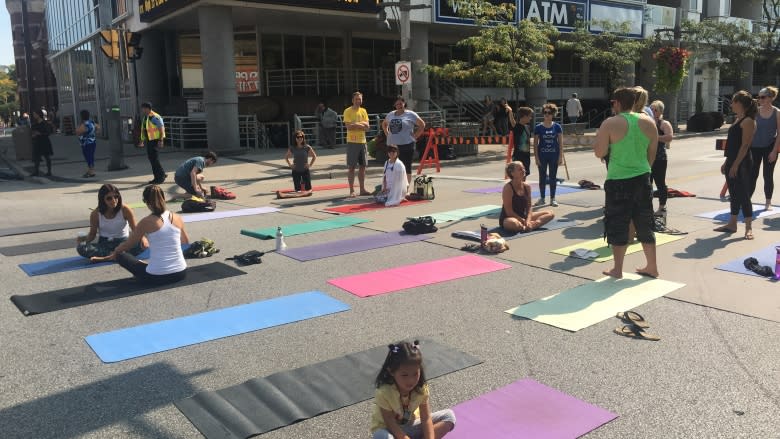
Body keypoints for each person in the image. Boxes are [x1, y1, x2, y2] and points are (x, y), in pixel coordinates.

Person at [594, 87, 659, 279]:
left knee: (618, 223)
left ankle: (618, 269)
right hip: (642, 177)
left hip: (618, 180)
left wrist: (599, 143)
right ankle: (652, 266)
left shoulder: (610, 123)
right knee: (645, 222)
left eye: (613, 102)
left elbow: (600, 152)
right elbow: (651, 156)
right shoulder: (649, 122)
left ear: (618, 103)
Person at [93, 185, 189, 284]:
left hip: (157, 276)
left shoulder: (146, 222)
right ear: (164, 198)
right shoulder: (178, 218)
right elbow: (185, 242)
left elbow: (126, 246)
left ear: (146, 202)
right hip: (181, 272)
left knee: (120, 255)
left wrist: (114, 253)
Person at [371, 340, 456, 439]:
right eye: (404, 375)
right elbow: (390, 421)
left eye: (415, 373)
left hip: (410, 425)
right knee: (380, 436)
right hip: (389, 430)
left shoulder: (421, 388)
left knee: (449, 416)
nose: (411, 380)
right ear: (391, 371)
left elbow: (426, 418)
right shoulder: (384, 392)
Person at [714, 90, 757, 240]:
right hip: (733, 160)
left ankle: (749, 227)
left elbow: (745, 146)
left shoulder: (748, 121)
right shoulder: (737, 120)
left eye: (733, 101)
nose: (731, 104)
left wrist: (736, 165)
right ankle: (732, 224)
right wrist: (727, 162)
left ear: (740, 104)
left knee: (743, 194)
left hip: (743, 162)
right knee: (733, 194)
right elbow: (732, 145)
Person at [77, 184, 147, 258]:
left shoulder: (125, 210)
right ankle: (116, 255)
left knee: (141, 244)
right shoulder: (95, 214)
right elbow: (92, 234)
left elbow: (135, 229)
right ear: (102, 199)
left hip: (123, 243)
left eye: (116, 197)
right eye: (109, 198)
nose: (113, 200)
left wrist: (143, 238)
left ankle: (110, 256)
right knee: (81, 248)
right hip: (104, 244)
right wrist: (83, 242)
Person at [382, 96, 425, 185]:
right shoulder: (390, 114)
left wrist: (415, 136)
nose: (399, 105)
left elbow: (422, 125)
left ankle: (406, 188)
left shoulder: (411, 114)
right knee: (392, 167)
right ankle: (393, 187)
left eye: (401, 103)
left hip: (407, 144)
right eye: (397, 104)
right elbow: (384, 124)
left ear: (404, 104)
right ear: (394, 105)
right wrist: (387, 134)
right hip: (392, 146)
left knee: (406, 167)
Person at [500, 161, 554, 232]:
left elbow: (529, 206)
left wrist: (528, 220)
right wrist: (522, 220)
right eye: (520, 169)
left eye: (523, 168)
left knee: (550, 213)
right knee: (513, 224)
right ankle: (524, 226)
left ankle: (532, 225)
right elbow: (509, 212)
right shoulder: (508, 188)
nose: (523, 171)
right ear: (512, 173)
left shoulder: (527, 187)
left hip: (524, 216)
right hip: (510, 218)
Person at [751, 86, 780, 210]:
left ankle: (768, 203)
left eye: (762, 97)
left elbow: (779, 133)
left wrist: (774, 151)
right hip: (754, 147)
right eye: (759, 97)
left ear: (770, 98)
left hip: (769, 147)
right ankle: (747, 200)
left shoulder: (777, 113)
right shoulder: (755, 111)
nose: (760, 99)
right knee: (752, 175)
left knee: (767, 175)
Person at [533, 103, 564, 207]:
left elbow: (560, 143)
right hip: (542, 156)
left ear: (553, 114)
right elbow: (535, 144)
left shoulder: (557, 127)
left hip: (554, 155)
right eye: (545, 112)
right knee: (542, 177)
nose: (547, 114)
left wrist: (560, 157)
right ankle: (542, 198)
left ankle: (553, 198)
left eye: (549, 113)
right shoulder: (538, 127)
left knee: (552, 177)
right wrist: (536, 158)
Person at [343, 91, 371, 197]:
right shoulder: (348, 111)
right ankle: (351, 190)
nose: (358, 101)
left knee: (363, 166)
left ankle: (362, 189)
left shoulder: (363, 111)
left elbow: (367, 127)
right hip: (352, 142)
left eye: (360, 99)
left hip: (363, 142)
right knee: (351, 167)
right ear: (352, 100)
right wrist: (361, 124)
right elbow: (349, 126)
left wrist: (356, 124)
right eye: (356, 99)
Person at [649, 100, 673, 215]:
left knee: (660, 183)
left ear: (660, 111)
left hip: (659, 158)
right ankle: (646, 208)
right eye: (651, 109)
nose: (652, 111)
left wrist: (655, 137)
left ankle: (661, 207)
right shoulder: (646, 122)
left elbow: (669, 137)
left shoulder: (663, 123)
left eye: (655, 109)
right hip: (647, 159)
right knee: (646, 184)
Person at [138, 102, 167, 184]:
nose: (142, 110)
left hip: (155, 140)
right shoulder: (146, 117)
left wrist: (161, 140)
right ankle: (157, 177)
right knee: (152, 159)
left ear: (147, 108)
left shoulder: (154, 117)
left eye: (143, 108)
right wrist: (142, 140)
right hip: (149, 141)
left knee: (154, 159)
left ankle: (161, 176)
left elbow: (161, 128)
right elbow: (144, 130)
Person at [282, 130, 317, 195]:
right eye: (298, 137)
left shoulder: (307, 147)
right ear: (295, 138)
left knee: (308, 190)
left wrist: (310, 165)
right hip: (296, 170)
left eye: (301, 137)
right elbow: (286, 157)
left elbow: (314, 156)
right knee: (297, 190)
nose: (300, 138)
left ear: (303, 138)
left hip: (305, 170)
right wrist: (290, 165)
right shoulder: (292, 148)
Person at [508, 106, 533, 177]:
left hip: (527, 156)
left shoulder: (528, 127)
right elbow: (512, 122)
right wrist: (510, 112)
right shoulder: (517, 127)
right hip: (518, 156)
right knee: (517, 176)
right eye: (529, 116)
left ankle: (522, 187)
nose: (531, 118)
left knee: (525, 175)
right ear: (524, 116)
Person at [75, 109, 98, 178]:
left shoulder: (84, 124)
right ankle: (90, 170)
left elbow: (78, 132)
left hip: (86, 143)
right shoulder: (92, 122)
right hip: (92, 142)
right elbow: (98, 128)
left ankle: (91, 171)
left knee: (88, 157)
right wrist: (93, 132)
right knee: (91, 156)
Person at [30, 110, 53, 177]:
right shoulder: (34, 123)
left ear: (38, 114)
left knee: (47, 156)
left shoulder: (44, 123)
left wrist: (40, 134)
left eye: (35, 114)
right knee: (36, 157)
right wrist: (33, 135)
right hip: (37, 141)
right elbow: (32, 131)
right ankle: (36, 171)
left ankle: (49, 171)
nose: (34, 116)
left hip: (44, 141)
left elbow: (48, 132)